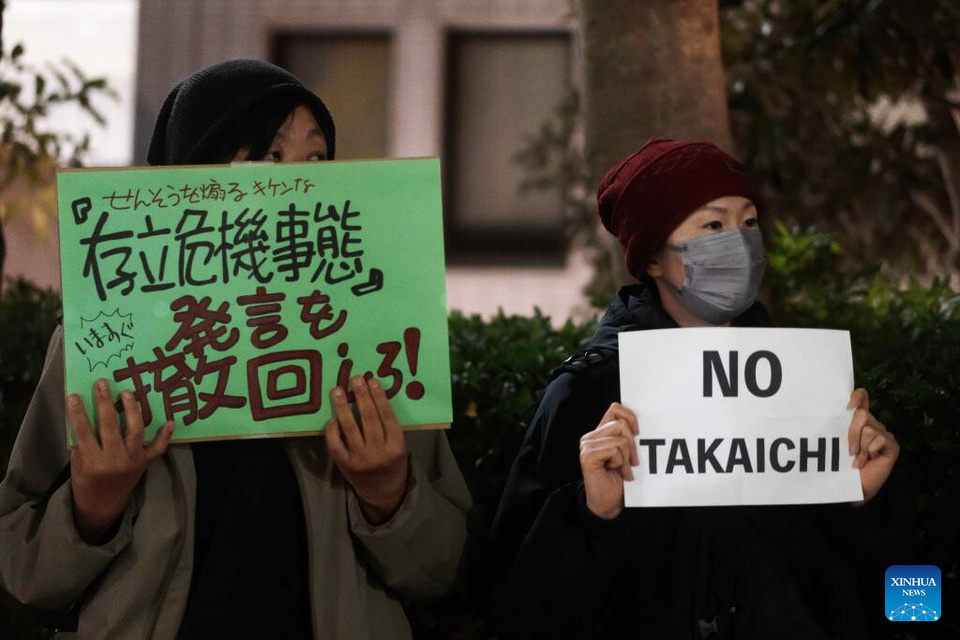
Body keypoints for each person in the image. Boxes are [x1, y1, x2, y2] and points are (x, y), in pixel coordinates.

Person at [0, 59, 471, 639]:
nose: (300, 181)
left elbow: (443, 567)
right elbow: (25, 572)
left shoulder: (371, 338)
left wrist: (390, 497)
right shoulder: (104, 341)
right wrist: (93, 505)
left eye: (317, 158)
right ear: (189, 175)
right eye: (269, 156)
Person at [490, 138, 905, 639]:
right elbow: (517, 613)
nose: (740, 242)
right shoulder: (588, 396)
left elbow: (915, 608)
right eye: (712, 225)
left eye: (749, 223)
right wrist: (592, 515)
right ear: (651, 260)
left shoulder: (813, 386)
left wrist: (867, 505)